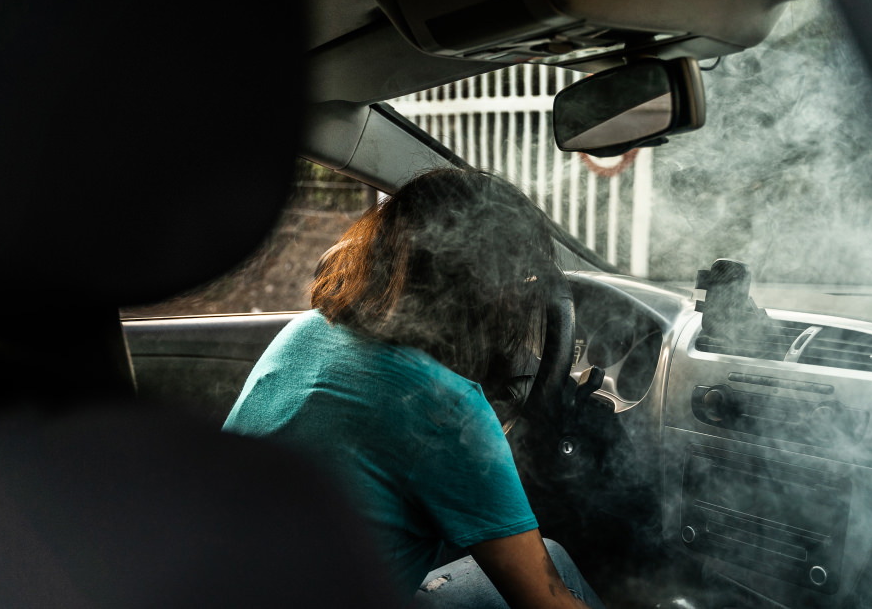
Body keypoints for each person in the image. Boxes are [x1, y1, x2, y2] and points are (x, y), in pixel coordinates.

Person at [222, 168, 605, 609]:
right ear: (493, 292)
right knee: (555, 572)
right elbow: (545, 601)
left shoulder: (304, 330)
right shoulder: (450, 411)